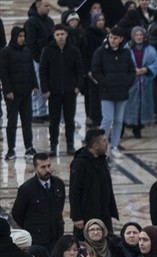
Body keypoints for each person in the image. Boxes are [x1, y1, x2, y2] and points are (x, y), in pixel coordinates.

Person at [38, 24, 85, 155]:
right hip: (54, 92)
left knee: (70, 120)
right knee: (54, 121)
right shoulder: (47, 50)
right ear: (54, 36)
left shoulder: (74, 50)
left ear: (66, 34)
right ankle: (53, 145)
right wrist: (45, 89)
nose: (60, 37)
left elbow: (80, 70)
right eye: (57, 34)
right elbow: (43, 71)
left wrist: (78, 86)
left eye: (62, 34)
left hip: (70, 91)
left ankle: (70, 144)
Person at [90, 27, 135, 155]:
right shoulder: (100, 52)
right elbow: (96, 70)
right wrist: (104, 82)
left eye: (115, 38)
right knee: (107, 119)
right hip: (107, 91)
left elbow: (132, 70)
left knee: (119, 120)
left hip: (122, 91)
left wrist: (128, 81)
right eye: (110, 37)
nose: (112, 40)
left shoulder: (126, 53)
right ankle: (101, 146)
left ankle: (114, 146)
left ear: (121, 39)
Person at [11, 152, 66, 249]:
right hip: (37, 239)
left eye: (49, 166)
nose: (47, 170)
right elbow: (17, 214)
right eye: (43, 167)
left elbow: (60, 206)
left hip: (56, 236)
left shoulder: (58, 184)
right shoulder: (26, 189)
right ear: (35, 168)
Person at [69, 129, 118, 233]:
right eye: (104, 141)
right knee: (83, 246)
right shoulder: (80, 163)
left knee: (107, 242)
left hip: (104, 212)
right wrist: (77, 216)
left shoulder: (102, 159)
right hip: (87, 215)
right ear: (95, 146)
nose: (107, 144)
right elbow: (74, 191)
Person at [0, 26, 38, 161]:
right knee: (12, 122)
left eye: (23, 36)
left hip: (26, 92)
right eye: (20, 36)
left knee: (27, 122)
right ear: (15, 36)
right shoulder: (6, 52)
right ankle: (11, 149)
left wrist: (35, 85)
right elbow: (3, 73)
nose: (22, 39)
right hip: (13, 95)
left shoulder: (27, 51)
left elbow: (31, 69)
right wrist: (8, 90)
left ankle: (29, 147)